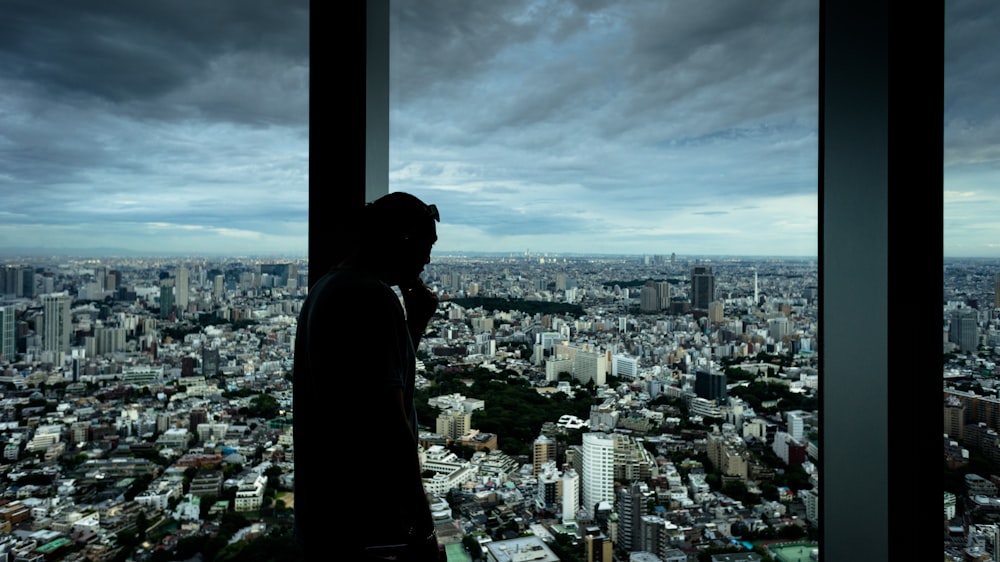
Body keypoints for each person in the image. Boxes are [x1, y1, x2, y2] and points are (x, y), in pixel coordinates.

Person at [293, 192, 445, 560]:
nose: (427, 259)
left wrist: (416, 324)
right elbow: (390, 427)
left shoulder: (328, 288)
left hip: (329, 519)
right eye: (425, 245)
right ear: (402, 239)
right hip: (368, 525)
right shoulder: (370, 298)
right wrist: (421, 528)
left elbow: (376, 380)